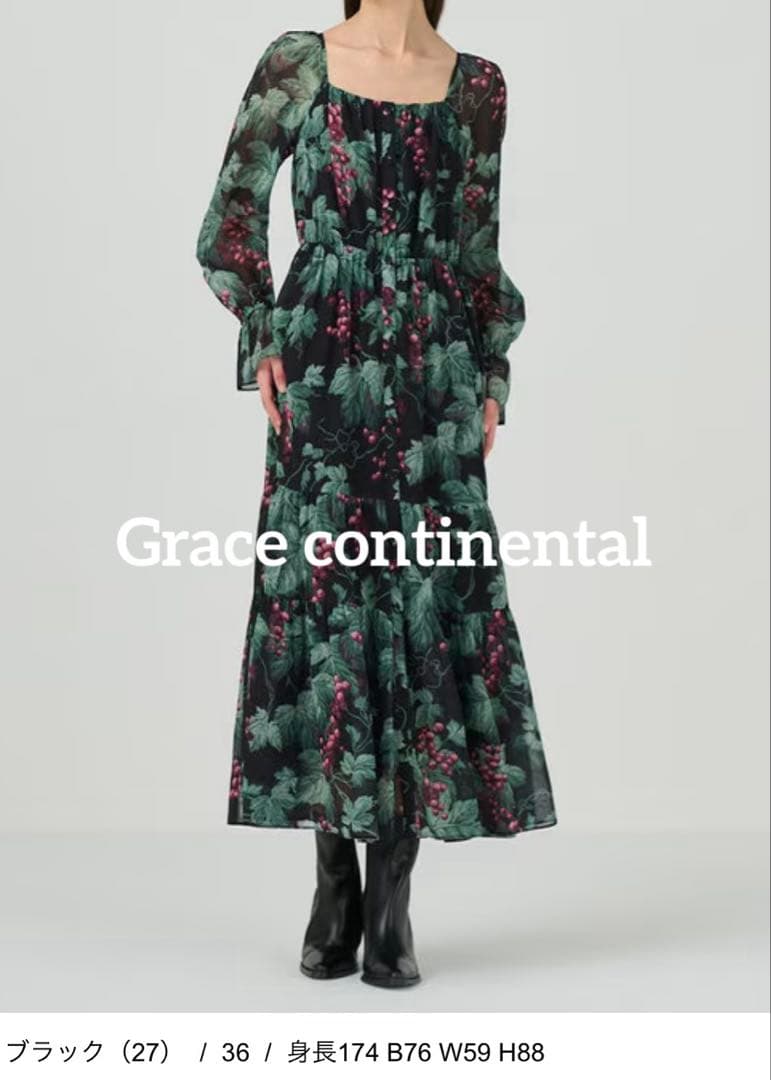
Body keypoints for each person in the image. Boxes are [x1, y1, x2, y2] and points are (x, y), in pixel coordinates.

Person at [195, 0, 557, 989]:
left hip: (437, 369)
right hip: (323, 361)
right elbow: (232, 217)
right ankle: (334, 880)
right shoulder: (298, 61)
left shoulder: (478, 85)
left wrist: (491, 371)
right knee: (326, 605)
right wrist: (261, 333)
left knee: (427, 605)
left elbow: (476, 246)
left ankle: (392, 888)